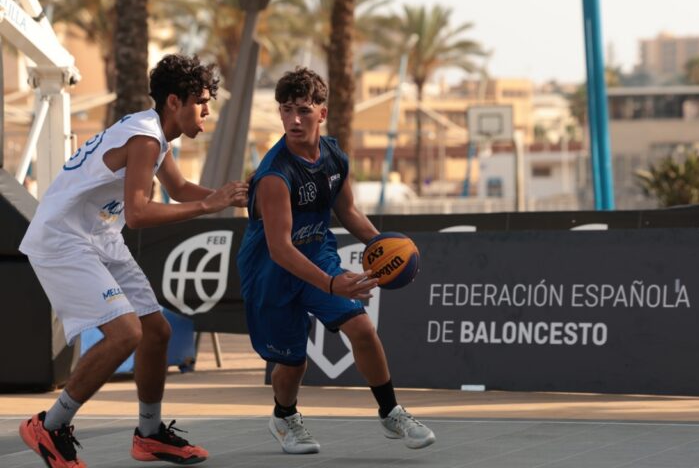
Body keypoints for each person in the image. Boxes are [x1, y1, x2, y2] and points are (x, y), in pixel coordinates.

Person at [18, 54, 248, 468]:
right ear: (174, 101)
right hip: (63, 239)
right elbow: (139, 213)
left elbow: (177, 188)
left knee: (155, 331)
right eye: (202, 102)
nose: (208, 111)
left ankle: (149, 434)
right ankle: (49, 425)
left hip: (99, 235)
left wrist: (226, 196)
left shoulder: (154, 133)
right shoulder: (145, 138)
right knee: (126, 333)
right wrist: (208, 207)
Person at [237, 67, 435, 455]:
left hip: (318, 256)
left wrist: (385, 247)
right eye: (287, 110)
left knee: (361, 328)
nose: (294, 119)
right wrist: (331, 283)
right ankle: (284, 416)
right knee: (293, 363)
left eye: (304, 111)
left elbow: (348, 212)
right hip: (270, 273)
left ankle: (391, 412)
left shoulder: (333, 157)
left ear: (321, 114)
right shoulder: (274, 176)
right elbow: (279, 248)